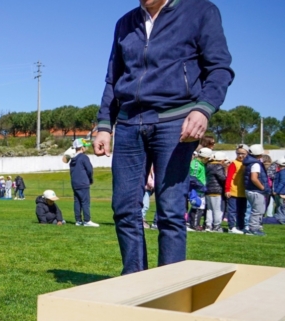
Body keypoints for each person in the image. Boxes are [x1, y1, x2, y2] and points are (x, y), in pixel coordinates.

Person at [94, 0, 234, 274]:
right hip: (129, 123)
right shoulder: (125, 23)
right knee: (124, 209)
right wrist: (104, 125)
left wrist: (204, 108)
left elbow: (220, 68)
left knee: (170, 211)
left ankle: (170, 287)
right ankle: (135, 280)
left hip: (175, 121)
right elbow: (113, 78)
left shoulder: (201, 11)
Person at [69, 139, 98, 227]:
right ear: (82, 147)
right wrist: (90, 179)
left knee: (77, 201)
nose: (86, 148)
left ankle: (78, 221)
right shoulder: (84, 157)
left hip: (75, 183)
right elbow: (89, 170)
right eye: (85, 146)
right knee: (85, 202)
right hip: (83, 182)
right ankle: (87, 220)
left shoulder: (72, 159)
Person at [243, 145, 268, 236]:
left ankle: (253, 228)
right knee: (257, 211)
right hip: (256, 190)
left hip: (250, 190)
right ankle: (253, 229)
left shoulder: (248, 162)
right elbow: (254, 178)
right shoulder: (256, 164)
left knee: (256, 210)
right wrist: (262, 188)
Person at [225, 145, 249, 234]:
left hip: (243, 192)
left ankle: (241, 226)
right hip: (233, 191)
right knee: (232, 210)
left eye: (243, 153)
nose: (240, 155)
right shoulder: (234, 163)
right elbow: (229, 177)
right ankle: (231, 227)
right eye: (238, 153)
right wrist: (227, 189)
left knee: (242, 211)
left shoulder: (247, 164)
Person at [187, 148, 211, 231]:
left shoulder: (201, 164)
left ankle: (193, 223)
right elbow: (192, 178)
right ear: (205, 157)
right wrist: (202, 187)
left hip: (200, 189)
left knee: (200, 207)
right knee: (198, 206)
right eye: (208, 158)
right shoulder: (196, 164)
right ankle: (194, 225)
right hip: (197, 190)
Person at [205, 152, 227, 232]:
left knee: (209, 209)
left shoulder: (208, 165)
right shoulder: (218, 167)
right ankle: (217, 226)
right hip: (216, 190)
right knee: (217, 209)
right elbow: (222, 178)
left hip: (208, 189)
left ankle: (208, 225)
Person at [271, 158, 285, 224]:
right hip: (281, 192)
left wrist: (276, 191)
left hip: (281, 192)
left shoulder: (282, 172)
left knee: (280, 206)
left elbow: (282, 182)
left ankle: (280, 219)